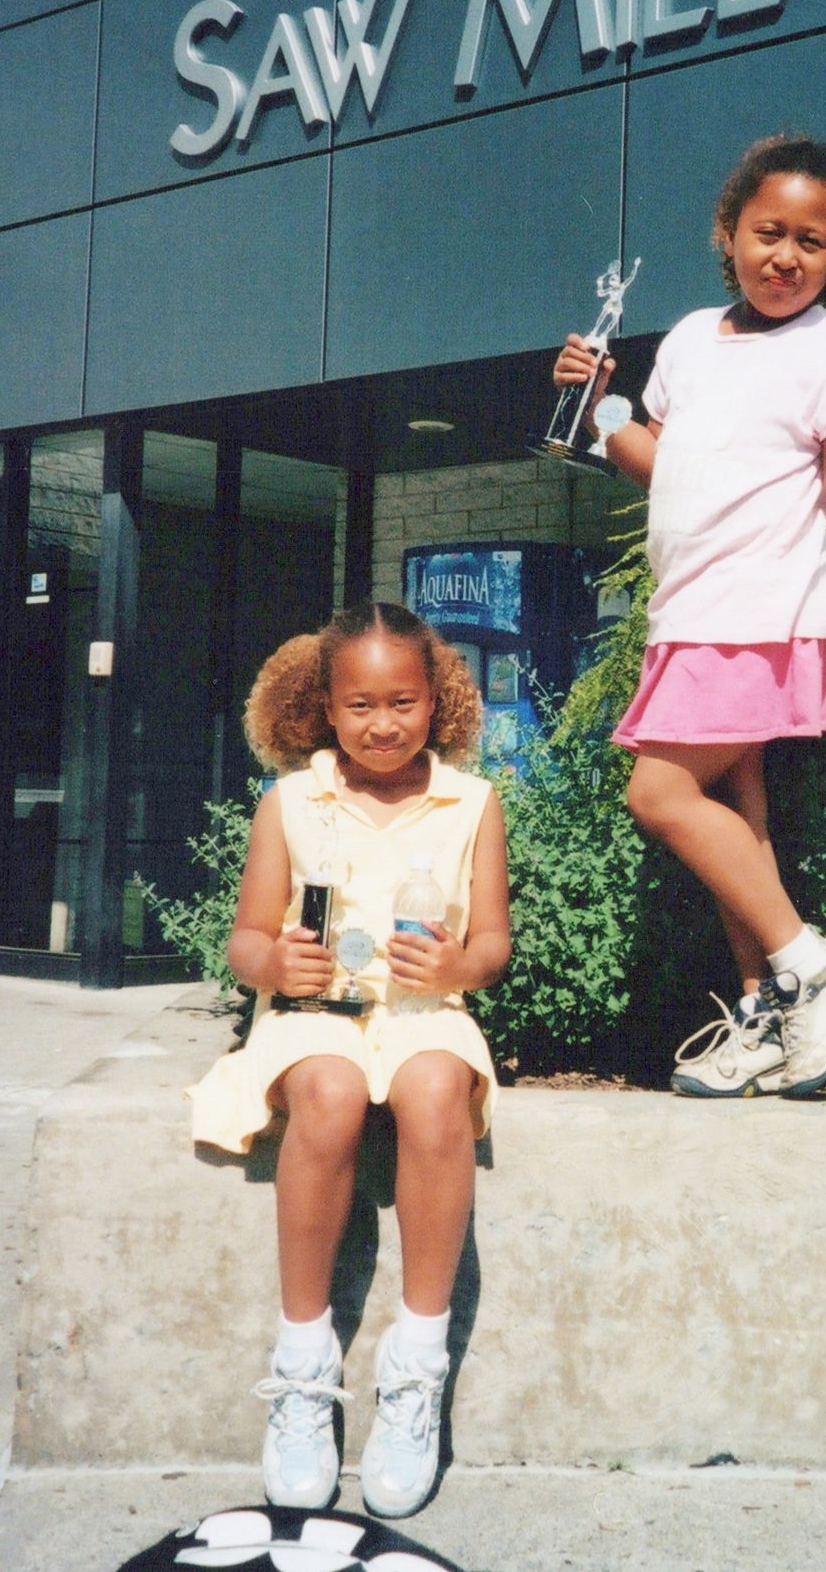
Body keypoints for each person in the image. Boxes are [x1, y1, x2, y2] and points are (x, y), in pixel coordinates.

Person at [553, 133, 826, 1100]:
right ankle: (769, 1014)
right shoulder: (686, 337)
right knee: (732, 816)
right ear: (729, 235)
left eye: (812, 241)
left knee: (659, 796)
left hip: (756, 609)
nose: (786, 255)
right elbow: (664, 460)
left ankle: (815, 960)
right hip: (689, 610)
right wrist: (601, 410)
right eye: (769, 232)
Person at [188, 602, 510, 1519]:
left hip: (421, 1008)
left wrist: (459, 964)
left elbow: (492, 944)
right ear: (326, 709)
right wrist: (272, 958)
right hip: (311, 1013)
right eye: (359, 705)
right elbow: (247, 939)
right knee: (327, 1094)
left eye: (401, 702)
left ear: (435, 699)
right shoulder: (291, 802)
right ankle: (302, 1367)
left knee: (438, 1086)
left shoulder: (472, 804)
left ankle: (415, 1365)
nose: (382, 724)